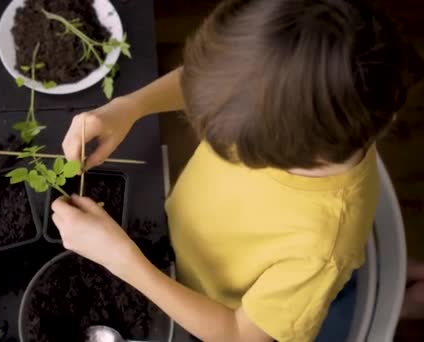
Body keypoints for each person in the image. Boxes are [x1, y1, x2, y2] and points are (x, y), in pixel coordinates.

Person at [51, 0, 407, 341]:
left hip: (220, 310)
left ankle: (402, 295)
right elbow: (219, 79)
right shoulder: (290, 102)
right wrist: (129, 107)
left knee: (332, 293)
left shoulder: (321, 250)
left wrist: (123, 261)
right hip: (191, 253)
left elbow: (239, 334)